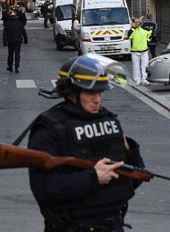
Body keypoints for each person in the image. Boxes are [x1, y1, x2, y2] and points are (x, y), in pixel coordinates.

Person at [27, 54, 145, 231]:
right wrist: (93, 178)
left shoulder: (107, 120)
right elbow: (44, 189)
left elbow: (129, 182)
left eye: (101, 92)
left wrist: (130, 150)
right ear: (71, 93)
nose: (97, 99)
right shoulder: (49, 129)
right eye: (90, 92)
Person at [127, 17, 153, 85]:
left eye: (138, 22)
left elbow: (150, 33)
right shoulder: (132, 30)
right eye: (136, 22)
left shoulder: (144, 29)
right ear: (133, 23)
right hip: (135, 51)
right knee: (136, 66)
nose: (137, 23)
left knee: (145, 66)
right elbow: (129, 36)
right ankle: (137, 80)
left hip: (144, 51)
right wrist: (133, 28)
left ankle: (144, 79)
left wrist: (148, 40)